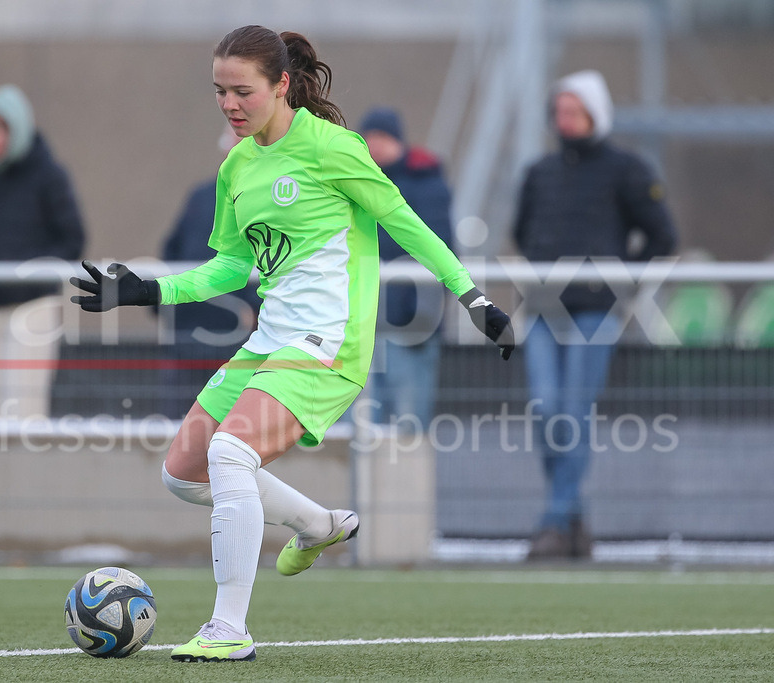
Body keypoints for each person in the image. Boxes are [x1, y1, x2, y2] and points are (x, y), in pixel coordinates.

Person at [71, 25, 514, 662]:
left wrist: (474, 299)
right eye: (219, 91)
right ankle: (316, 524)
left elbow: (408, 227)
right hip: (270, 340)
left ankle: (229, 629)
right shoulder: (237, 166)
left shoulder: (334, 149)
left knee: (228, 456)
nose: (229, 104)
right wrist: (147, 292)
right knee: (182, 474)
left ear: (281, 85)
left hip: (329, 347)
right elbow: (227, 267)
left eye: (242, 91)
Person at [512, 69, 676, 560]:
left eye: (573, 110)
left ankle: (556, 521)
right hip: (543, 309)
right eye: (559, 110)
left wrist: (622, 284)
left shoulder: (628, 169)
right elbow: (522, 232)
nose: (563, 119)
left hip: (594, 313)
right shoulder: (539, 172)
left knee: (573, 415)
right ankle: (572, 518)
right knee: (546, 410)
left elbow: (662, 236)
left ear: (594, 114)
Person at [0, 84, 86, 418]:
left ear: (17, 128)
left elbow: (71, 239)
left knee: (22, 410)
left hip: (31, 309)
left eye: (0, 128)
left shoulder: (49, 176)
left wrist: (28, 276)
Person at [358, 107, 454, 429]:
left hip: (410, 325)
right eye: (370, 138)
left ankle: (405, 482)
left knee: (407, 422)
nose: (376, 146)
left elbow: (440, 250)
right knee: (359, 421)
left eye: (383, 138)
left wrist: (423, 315)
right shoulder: (352, 185)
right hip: (360, 322)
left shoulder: (427, 186)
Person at [157, 126, 261, 417]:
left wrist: (254, 309)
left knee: (232, 432)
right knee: (180, 429)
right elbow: (172, 250)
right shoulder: (202, 197)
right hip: (188, 337)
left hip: (238, 344)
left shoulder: (269, 202)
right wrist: (163, 302)